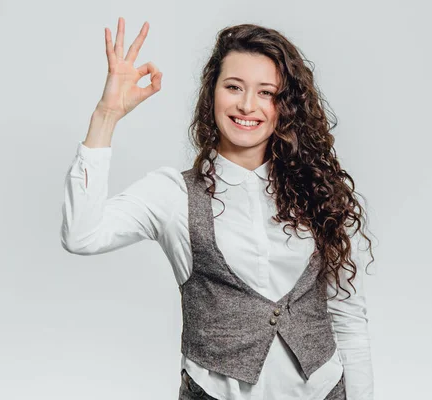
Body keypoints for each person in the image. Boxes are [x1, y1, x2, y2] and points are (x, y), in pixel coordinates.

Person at [61, 17, 375, 400]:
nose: (247, 105)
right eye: (233, 87)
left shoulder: (321, 193)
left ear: (285, 106)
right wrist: (105, 116)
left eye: (266, 92)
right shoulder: (173, 194)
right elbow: (81, 235)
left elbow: (348, 318)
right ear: (211, 93)